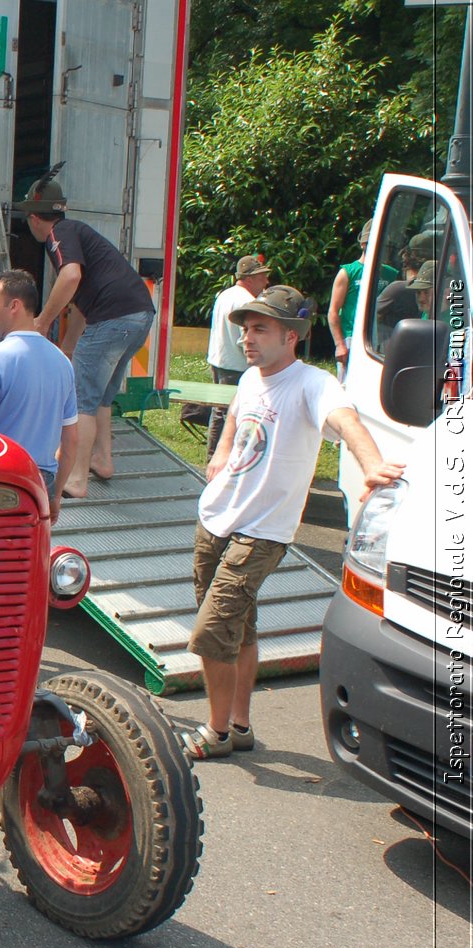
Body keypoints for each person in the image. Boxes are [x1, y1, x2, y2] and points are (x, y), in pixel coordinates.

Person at [183, 284, 403, 759]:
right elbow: (236, 420)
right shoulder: (249, 379)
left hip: (262, 532)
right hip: (216, 518)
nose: (247, 338)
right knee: (239, 629)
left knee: (212, 633)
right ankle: (240, 725)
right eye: (245, 329)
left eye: (260, 329)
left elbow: (346, 423)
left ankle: (216, 732)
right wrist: (220, 456)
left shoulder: (313, 383)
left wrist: (370, 465)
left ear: (292, 336)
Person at [17, 176, 155, 498]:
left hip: (113, 319)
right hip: (138, 316)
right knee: (102, 396)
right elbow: (81, 301)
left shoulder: (58, 236)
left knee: (81, 400)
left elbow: (71, 276)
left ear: (35, 219)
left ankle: (75, 479)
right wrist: (67, 346)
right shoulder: (76, 232)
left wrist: (42, 321)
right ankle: (102, 460)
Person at [0, 269, 79, 521]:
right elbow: (70, 442)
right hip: (41, 483)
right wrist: (55, 496)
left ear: (14, 306)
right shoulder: (62, 362)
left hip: (0, 482)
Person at [203, 254, 272, 455]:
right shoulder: (248, 302)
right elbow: (245, 339)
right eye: (262, 276)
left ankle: (213, 456)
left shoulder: (226, 295)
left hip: (219, 360)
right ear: (249, 279)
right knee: (235, 413)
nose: (266, 281)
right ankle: (229, 458)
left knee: (220, 411)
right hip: (237, 365)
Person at [327, 221, 398, 375]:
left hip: (382, 338)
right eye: (369, 242)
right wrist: (340, 344)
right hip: (352, 336)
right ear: (362, 244)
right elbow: (333, 311)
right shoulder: (348, 272)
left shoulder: (391, 274)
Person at [375, 233, 436, 339]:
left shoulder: (396, 289)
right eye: (418, 292)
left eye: (426, 291)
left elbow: (368, 318)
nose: (421, 298)